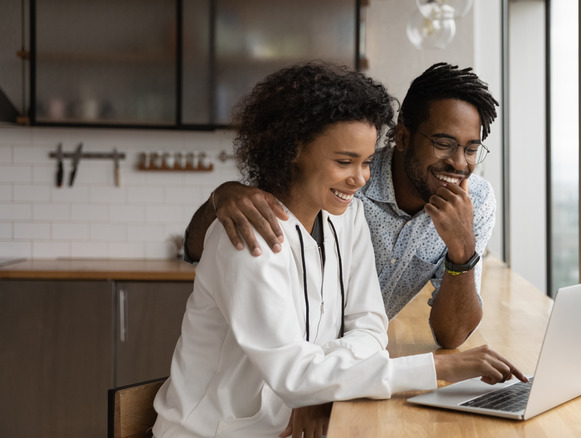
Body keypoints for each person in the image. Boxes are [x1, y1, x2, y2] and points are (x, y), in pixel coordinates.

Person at [153, 62, 525, 438]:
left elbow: (369, 326)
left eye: (365, 163)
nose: (360, 178)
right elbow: (295, 374)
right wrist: (439, 369)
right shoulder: (249, 232)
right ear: (293, 149)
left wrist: (325, 386)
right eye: (345, 162)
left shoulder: (345, 217)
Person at [184, 62, 498, 349]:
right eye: (443, 144)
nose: (459, 162)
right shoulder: (340, 187)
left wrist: (463, 250)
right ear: (402, 137)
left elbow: (451, 336)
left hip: (344, 362)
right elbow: (199, 249)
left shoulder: (476, 202)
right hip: (292, 358)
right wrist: (222, 196)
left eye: (471, 149)